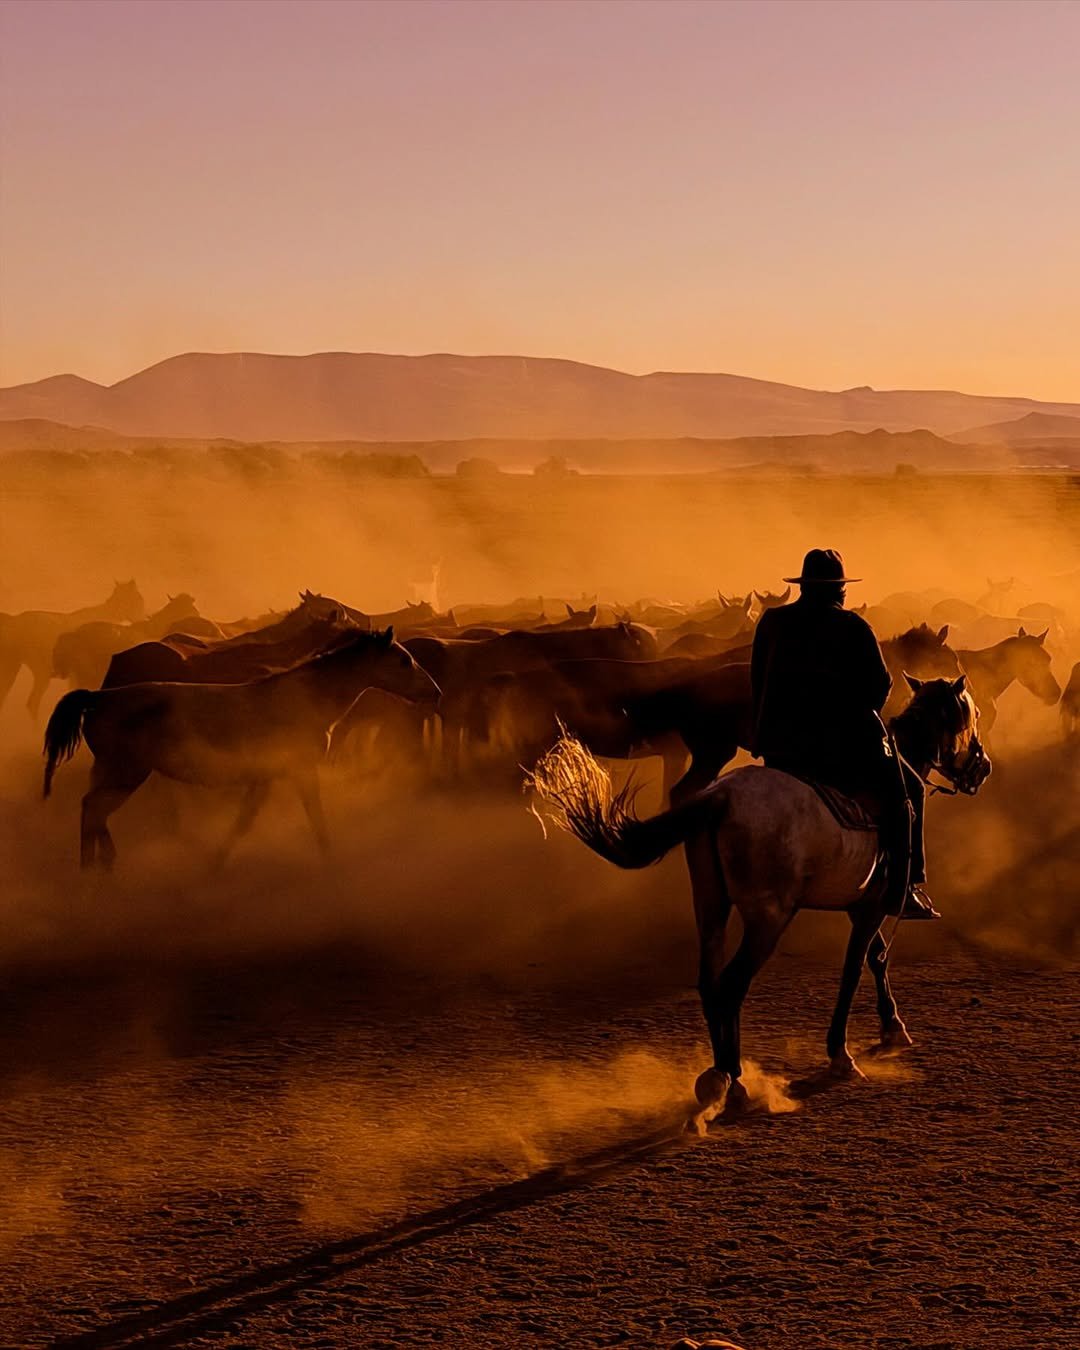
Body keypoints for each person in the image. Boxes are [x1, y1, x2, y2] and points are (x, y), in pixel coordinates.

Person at [750, 548, 938, 920]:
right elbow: (879, 688)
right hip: (834, 753)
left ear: (804, 586)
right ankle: (904, 890)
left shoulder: (772, 621)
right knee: (909, 793)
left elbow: (757, 679)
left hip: (778, 748)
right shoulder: (853, 627)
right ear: (838, 590)